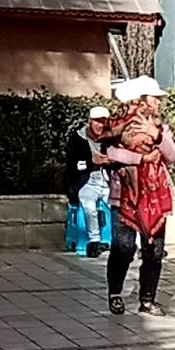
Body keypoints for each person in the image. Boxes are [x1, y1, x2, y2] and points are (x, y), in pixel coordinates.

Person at [100, 75, 175, 317]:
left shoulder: (161, 128)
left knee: (154, 251)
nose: (159, 102)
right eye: (155, 98)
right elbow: (111, 152)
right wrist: (141, 158)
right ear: (141, 100)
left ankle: (147, 299)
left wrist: (155, 136)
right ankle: (115, 293)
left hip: (155, 200)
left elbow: (172, 156)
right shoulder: (118, 126)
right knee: (123, 247)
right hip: (123, 198)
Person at [64, 106, 111, 257]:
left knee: (121, 206)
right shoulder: (77, 139)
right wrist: (92, 162)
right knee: (89, 204)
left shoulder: (109, 139)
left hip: (107, 180)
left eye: (103, 122)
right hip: (86, 181)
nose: (100, 125)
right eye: (97, 121)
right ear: (90, 122)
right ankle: (94, 240)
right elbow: (73, 164)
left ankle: (132, 243)